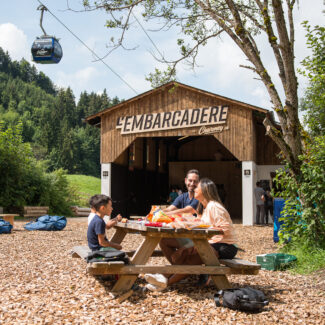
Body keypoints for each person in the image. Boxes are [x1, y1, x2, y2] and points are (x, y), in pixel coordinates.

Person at [145, 178, 237, 291]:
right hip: (211, 243)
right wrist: (188, 222)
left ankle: (164, 282)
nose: (195, 189)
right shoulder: (205, 206)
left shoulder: (214, 206)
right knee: (174, 246)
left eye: (197, 187)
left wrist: (203, 230)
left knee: (189, 257)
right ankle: (163, 278)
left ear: (205, 190)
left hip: (223, 246)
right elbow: (203, 223)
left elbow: (225, 228)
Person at [160, 170, 200, 264]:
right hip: (184, 235)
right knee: (163, 241)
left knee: (172, 245)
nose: (192, 183)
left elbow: (187, 210)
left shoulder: (199, 197)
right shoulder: (182, 196)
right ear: (186, 181)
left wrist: (168, 214)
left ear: (199, 183)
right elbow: (170, 208)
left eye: (195, 181)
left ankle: (179, 272)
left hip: (198, 238)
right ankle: (177, 270)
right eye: (190, 180)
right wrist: (156, 213)